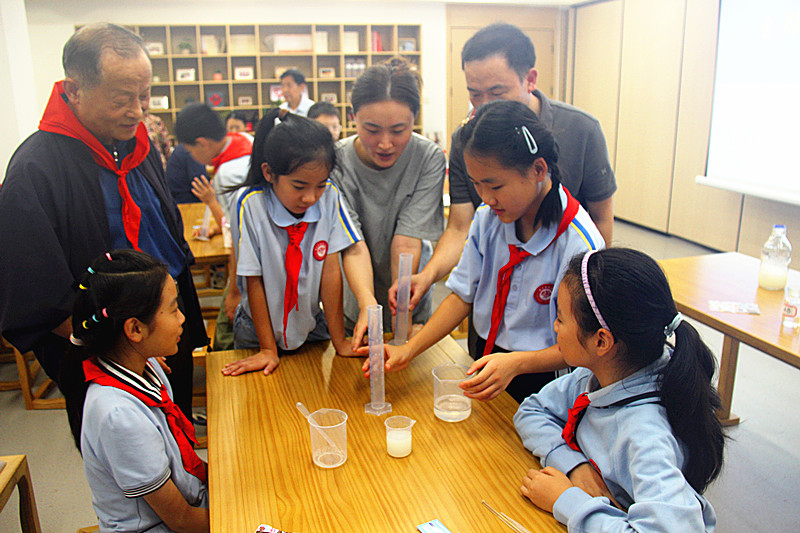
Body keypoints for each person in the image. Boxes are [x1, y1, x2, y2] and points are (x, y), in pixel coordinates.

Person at [0, 23, 206, 418]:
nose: (137, 110)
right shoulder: (36, 168)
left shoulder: (137, 143)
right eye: (121, 99)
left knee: (175, 425)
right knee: (127, 451)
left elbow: (164, 233)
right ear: (73, 90)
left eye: (144, 96)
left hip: (160, 323)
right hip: (100, 349)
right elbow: (36, 289)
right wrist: (122, 353)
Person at [364, 100, 604, 403]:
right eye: (476, 184)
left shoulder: (579, 244)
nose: (486, 197)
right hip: (486, 359)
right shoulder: (489, 218)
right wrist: (408, 349)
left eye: (495, 185)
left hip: (545, 378)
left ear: (538, 169)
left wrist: (516, 364)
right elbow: (463, 296)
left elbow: (582, 346)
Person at [390, 22, 616, 320]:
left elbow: (601, 219)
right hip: (493, 304)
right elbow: (460, 226)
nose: (483, 107)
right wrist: (428, 275)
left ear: (530, 79)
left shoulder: (581, 129)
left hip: (554, 313)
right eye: (474, 94)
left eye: (497, 92)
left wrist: (584, 304)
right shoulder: (467, 138)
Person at [513, 247, 724, 531]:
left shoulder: (644, 435)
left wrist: (567, 501)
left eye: (561, 318)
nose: (555, 326)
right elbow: (532, 410)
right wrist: (575, 467)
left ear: (601, 341)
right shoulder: (602, 373)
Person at [61, 250, 209, 532]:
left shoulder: (144, 362)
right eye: (174, 309)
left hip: (191, 501)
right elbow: (181, 521)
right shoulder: (119, 416)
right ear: (135, 329)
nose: (182, 319)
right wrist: (244, 514)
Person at [222, 109, 372, 376]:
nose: (311, 197)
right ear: (269, 173)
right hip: (258, 331)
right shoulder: (250, 204)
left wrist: (339, 341)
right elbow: (253, 280)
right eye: (299, 186)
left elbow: (331, 271)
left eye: (320, 185)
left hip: (310, 324)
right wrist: (268, 349)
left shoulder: (330, 198)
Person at [333, 57, 446, 334]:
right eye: (372, 130)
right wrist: (367, 305)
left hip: (410, 303)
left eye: (399, 130)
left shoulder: (428, 157)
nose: (385, 144)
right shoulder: (335, 161)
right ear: (353, 116)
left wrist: (402, 323)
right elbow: (352, 244)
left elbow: (407, 244)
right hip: (357, 301)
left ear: (414, 119)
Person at [175, 103, 254, 351]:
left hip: (250, 269)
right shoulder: (243, 140)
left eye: (189, 150)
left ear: (202, 143)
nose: (191, 157)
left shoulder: (228, 174)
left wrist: (233, 291)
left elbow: (239, 239)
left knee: (227, 335)